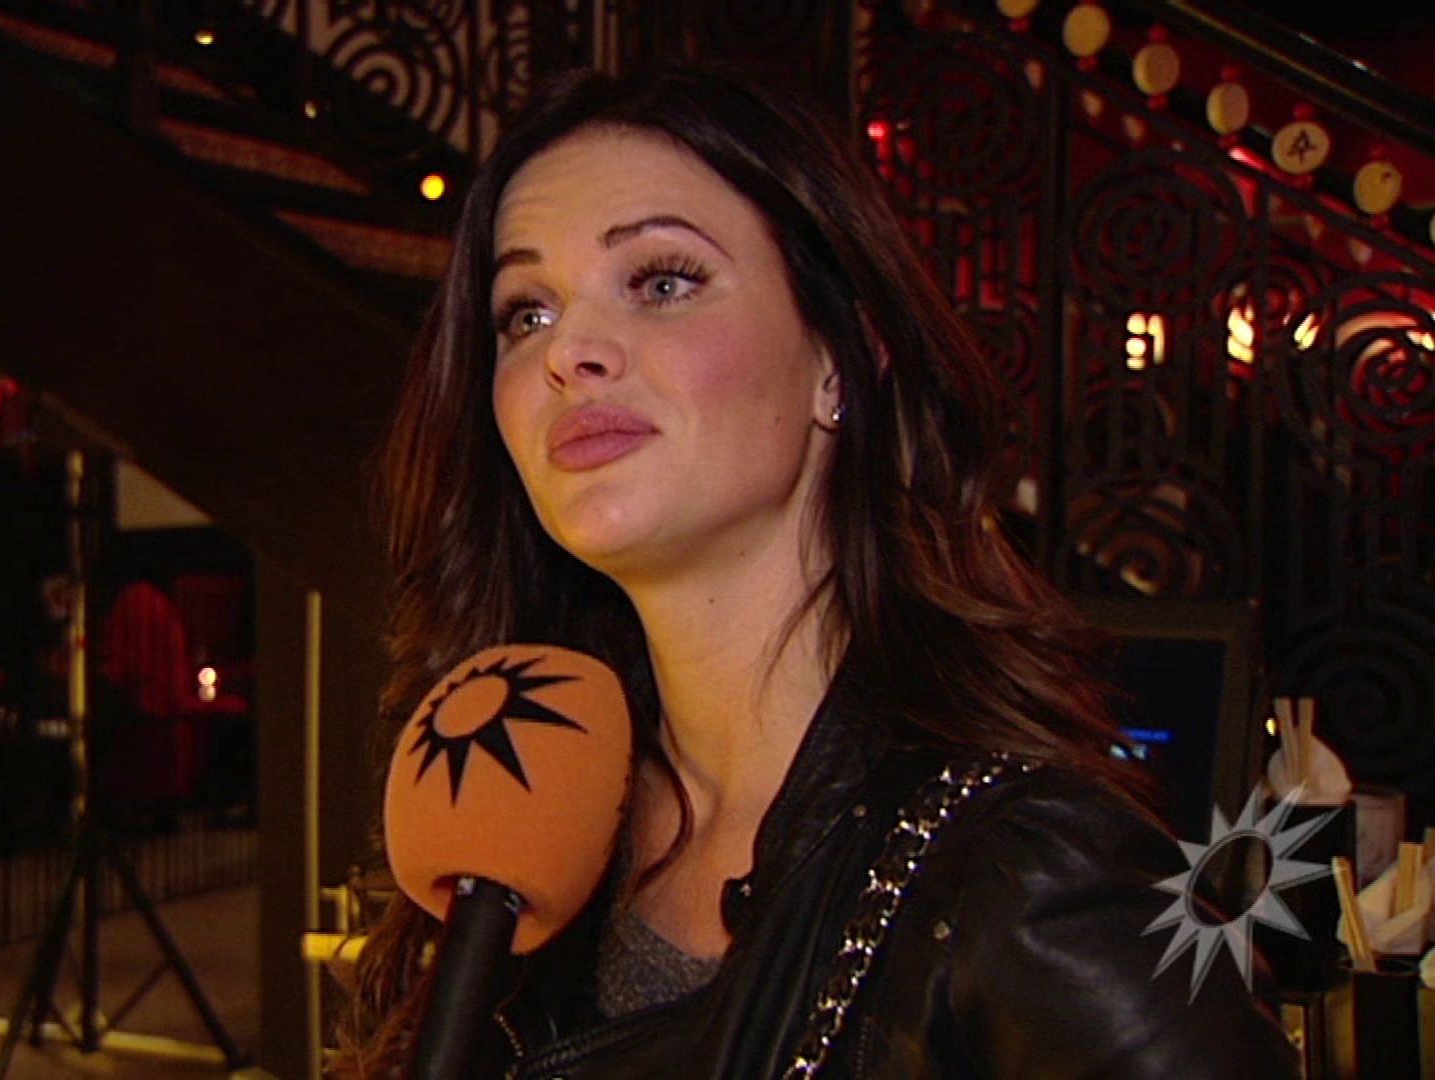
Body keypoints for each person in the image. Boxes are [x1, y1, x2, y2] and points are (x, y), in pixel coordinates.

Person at [334, 67, 1298, 1077]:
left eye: (662, 282)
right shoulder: (519, 812)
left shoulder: (1028, 874)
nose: (568, 351)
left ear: (839, 358)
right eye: (526, 313)